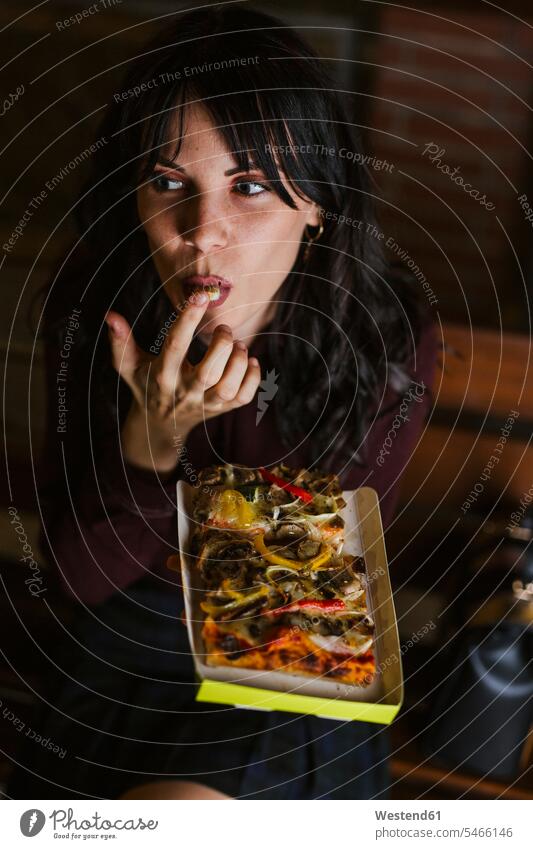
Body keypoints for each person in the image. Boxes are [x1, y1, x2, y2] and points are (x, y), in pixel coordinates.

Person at [7, 5, 439, 800]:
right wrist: (152, 440)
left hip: (294, 660)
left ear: (316, 203)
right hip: (127, 645)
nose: (200, 232)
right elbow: (79, 577)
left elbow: (296, 595)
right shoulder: (96, 303)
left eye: (248, 186)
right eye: (168, 182)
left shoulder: (379, 329)